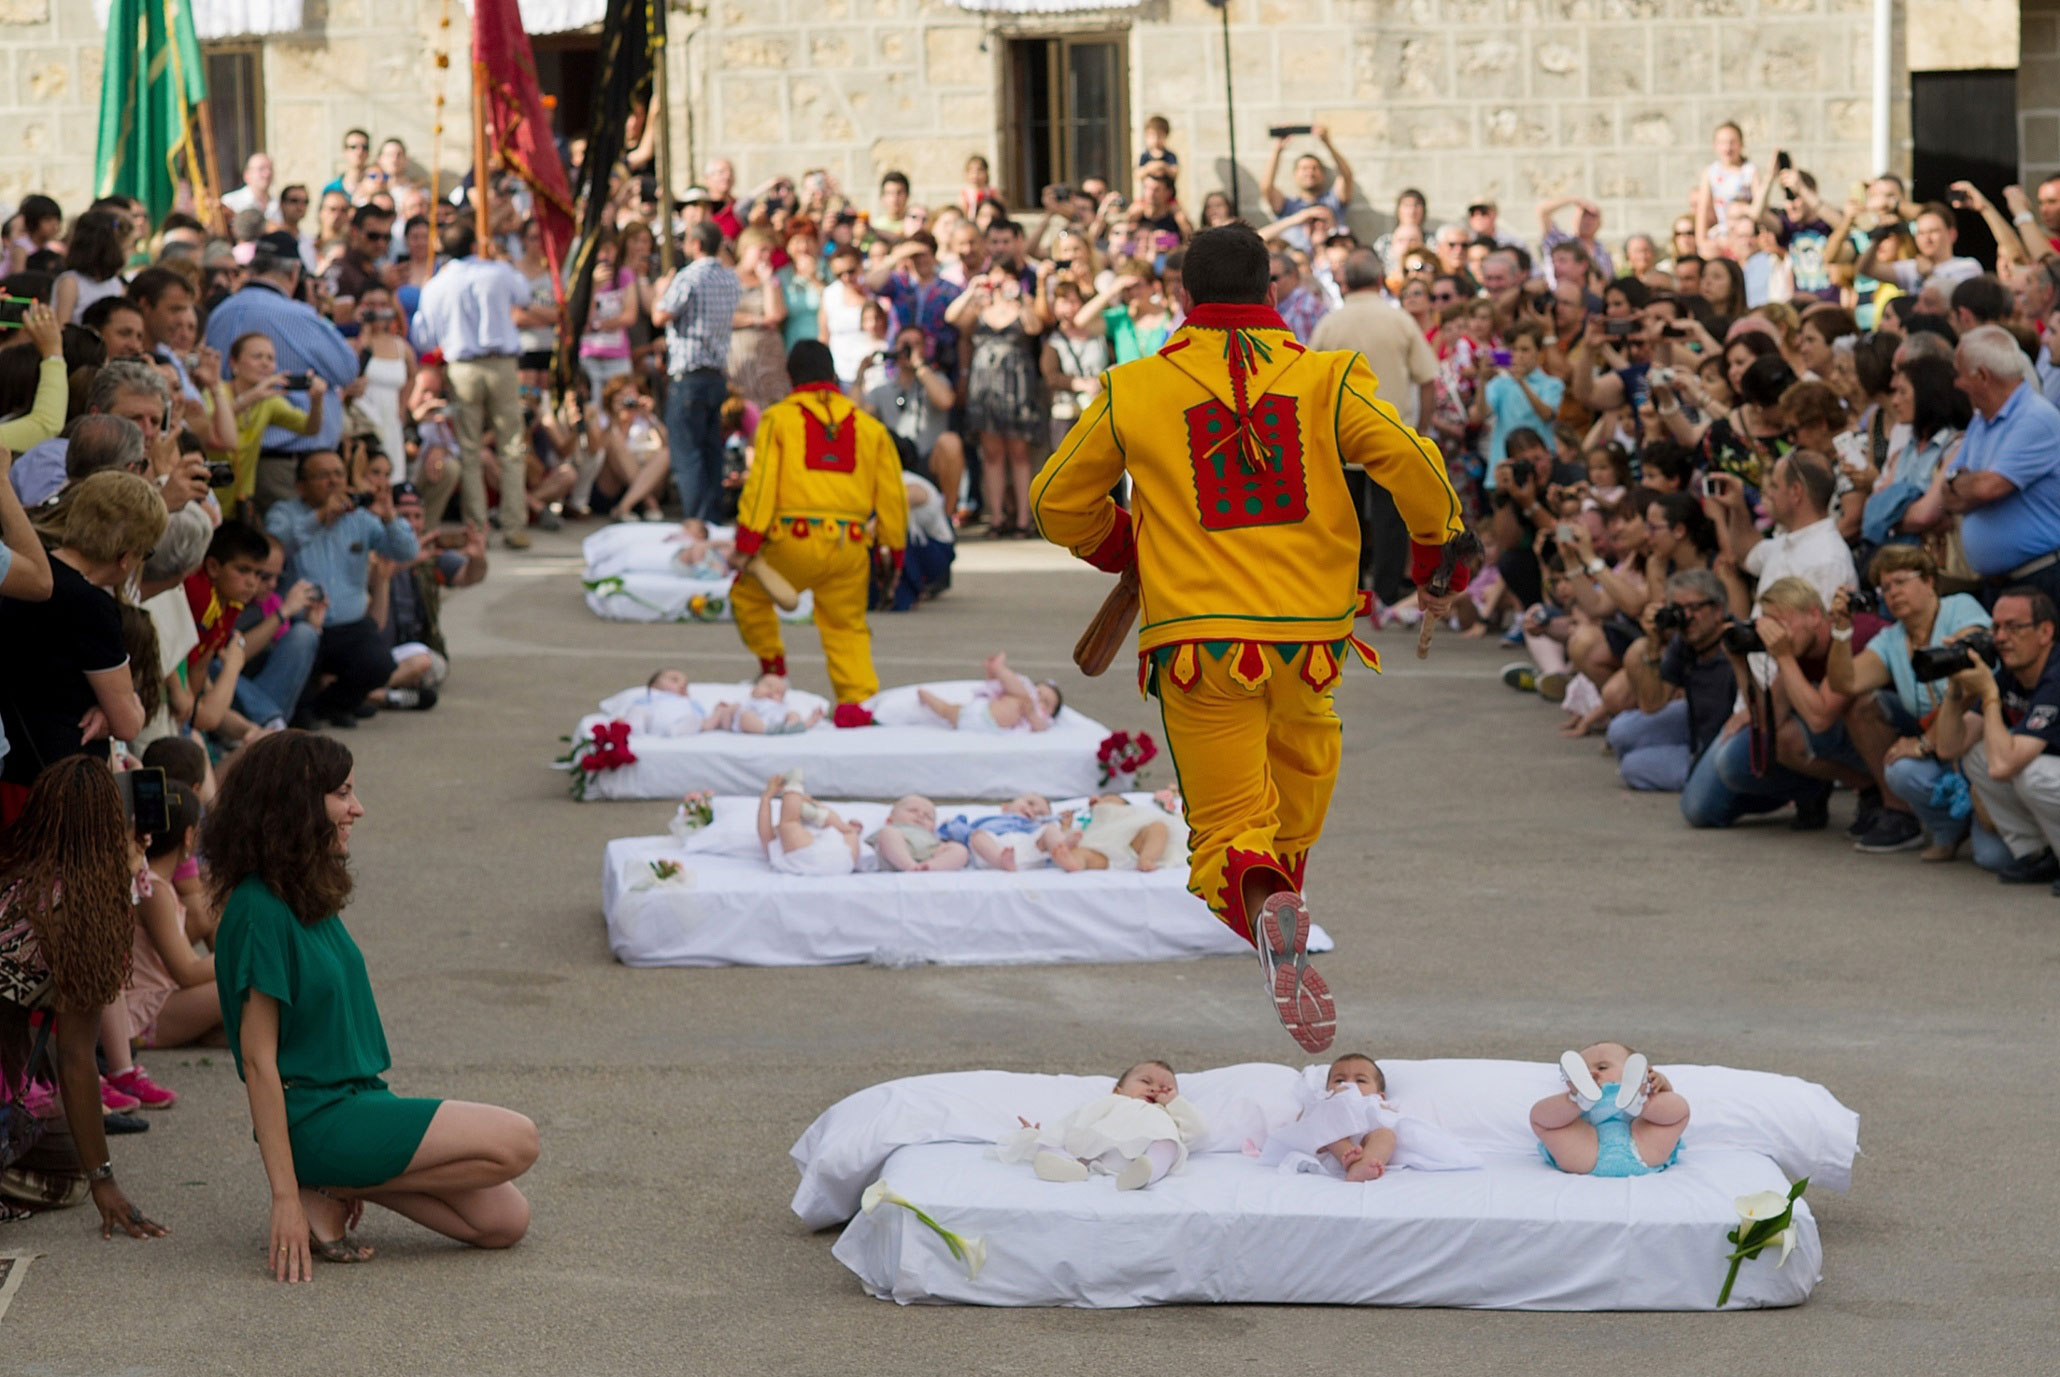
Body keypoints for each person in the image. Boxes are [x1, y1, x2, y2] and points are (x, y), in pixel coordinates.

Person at [1030, 222, 1467, 1053]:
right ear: (1273, 294)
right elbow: (1413, 461)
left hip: (1199, 644)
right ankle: (1280, 898)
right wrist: (1432, 555)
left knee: (1228, 825)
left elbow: (1055, 500)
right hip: (1310, 643)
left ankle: (1267, 904)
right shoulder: (1328, 377)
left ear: (1182, 300)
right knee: (1295, 795)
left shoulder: (1135, 386)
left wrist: (1127, 547)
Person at [207, 731, 537, 1280]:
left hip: (355, 1102)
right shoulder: (258, 909)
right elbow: (260, 1062)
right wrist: (283, 1197)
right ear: (296, 803)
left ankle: (337, 1186)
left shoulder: (302, 890)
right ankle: (317, 1186)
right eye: (343, 794)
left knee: (505, 1221)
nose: (357, 808)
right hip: (316, 1118)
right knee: (517, 1140)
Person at [0, 757, 169, 1237]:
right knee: (69, 1173)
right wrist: (104, 1182)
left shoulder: (15, 873)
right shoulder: (82, 909)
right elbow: (78, 1057)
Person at [727, 341, 908, 720]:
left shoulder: (777, 418)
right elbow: (893, 497)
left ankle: (774, 673)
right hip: (851, 546)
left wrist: (747, 541)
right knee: (847, 628)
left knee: (748, 597)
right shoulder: (871, 428)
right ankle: (857, 704)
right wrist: (893, 551)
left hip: (790, 543)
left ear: (791, 376)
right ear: (831, 375)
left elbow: (760, 486)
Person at [0, 471, 161, 818]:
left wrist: (108, 707)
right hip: (50, 787)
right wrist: (116, 706)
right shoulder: (92, 606)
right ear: (127, 557)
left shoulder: (22, 570)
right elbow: (129, 723)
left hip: (10, 763)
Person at [1832, 545, 1993, 854]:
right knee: (1898, 767)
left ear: (1930, 581)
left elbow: (1971, 673)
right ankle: (1947, 828)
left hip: (1976, 738)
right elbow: (1845, 682)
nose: (1893, 593)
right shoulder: (1892, 638)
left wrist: (1923, 743)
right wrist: (1841, 630)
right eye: (1885, 587)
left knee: (1991, 855)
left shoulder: (1960, 608)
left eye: (1901, 581)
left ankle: (1979, 812)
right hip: (1942, 743)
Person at [1311, 249, 1441, 604]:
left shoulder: (1330, 323)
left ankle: (1345, 589)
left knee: (1341, 519)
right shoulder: (1398, 321)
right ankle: (1384, 592)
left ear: (1346, 282)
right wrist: (1423, 428)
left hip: (1340, 438)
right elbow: (1429, 378)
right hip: (1391, 434)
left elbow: (1309, 384)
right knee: (1389, 521)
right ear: (1379, 278)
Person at [203, 233, 360, 514]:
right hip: (281, 466)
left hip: (231, 458)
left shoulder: (220, 313)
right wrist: (320, 311)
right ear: (295, 271)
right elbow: (348, 370)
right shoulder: (298, 314)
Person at [266, 451, 419, 729]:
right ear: (300, 485)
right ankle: (303, 709)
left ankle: (331, 705)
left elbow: (406, 551)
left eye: (338, 473)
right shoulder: (283, 513)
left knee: (380, 664)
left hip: (350, 626)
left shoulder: (360, 518)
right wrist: (320, 516)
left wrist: (389, 517)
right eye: (322, 475)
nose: (333, 482)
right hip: (300, 624)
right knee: (300, 704)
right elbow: (275, 550)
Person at [407, 221, 531, 547]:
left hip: (463, 366)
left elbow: (423, 335)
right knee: (510, 446)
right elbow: (526, 294)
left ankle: (479, 526)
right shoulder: (498, 271)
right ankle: (513, 524)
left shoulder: (438, 284)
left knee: (471, 449)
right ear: (475, 244)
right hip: (498, 363)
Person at [1928, 588, 2060, 885]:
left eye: (2013, 627)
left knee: (2029, 772)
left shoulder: (2056, 675)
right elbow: (1949, 748)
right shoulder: (2011, 674)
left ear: (2045, 632)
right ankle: (2038, 855)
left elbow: (2004, 767)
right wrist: (1955, 687)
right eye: (1996, 627)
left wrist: (1988, 694)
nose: (2000, 638)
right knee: (1977, 755)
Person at [1942, 326, 2060, 610]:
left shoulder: (2036, 418)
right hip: (1999, 584)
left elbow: (1987, 487)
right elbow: (1948, 493)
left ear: (1983, 376)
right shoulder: (1981, 421)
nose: (1956, 384)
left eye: (1960, 374)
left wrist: (1964, 483)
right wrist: (1967, 484)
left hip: (2039, 581)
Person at [1609, 568, 1737, 793]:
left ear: (1718, 611)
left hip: (1726, 741)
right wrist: (1653, 645)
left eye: (1694, 608)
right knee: (1620, 731)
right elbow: (1651, 705)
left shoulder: (1736, 644)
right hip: (1695, 722)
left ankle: (1700, 772)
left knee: (1633, 766)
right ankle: (1683, 755)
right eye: (1679, 609)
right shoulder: (1685, 643)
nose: (1686, 618)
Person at [995, 1060, 1203, 1191]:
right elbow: (1070, 1125)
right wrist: (1036, 1135)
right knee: (1056, 1137)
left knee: (1168, 1144)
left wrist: (1174, 1102)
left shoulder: (1162, 1113)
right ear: (1117, 1089)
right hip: (1091, 1149)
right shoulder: (1108, 1104)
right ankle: (1062, 1164)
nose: (1154, 1090)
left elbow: (1196, 1133)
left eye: (1165, 1088)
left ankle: (1147, 1172)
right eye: (1146, 1082)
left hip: (1135, 1158)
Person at [654, 221, 742, 523]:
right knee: (710, 452)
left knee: (688, 454)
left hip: (689, 374)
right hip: (716, 374)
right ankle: (712, 517)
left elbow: (660, 315)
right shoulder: (730, 279)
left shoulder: (688, 277)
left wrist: (661, 291)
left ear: (695, 244)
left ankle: (697, 520)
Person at [1530, 1042, 1687, 1177]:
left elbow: (1668, 1108)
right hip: (1586, 1146)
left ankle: (1640, 1104)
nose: (1593, 1073)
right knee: (1540, 1117)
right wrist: (1572, 1102)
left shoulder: (1646, 1086)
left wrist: (1660, 1083)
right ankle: (1578, 1100)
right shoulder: (1582, 1094)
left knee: (1678, 1109)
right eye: (1583, 1072)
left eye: (1602, 1067)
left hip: (1641, 1140)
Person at [866, 324, 965, 511]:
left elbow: (945, 401)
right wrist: (860, 374)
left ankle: (947, 518)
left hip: (929, 462)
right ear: (895, 347)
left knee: (951, 442)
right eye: (904, 344)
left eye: (916, 344)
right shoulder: (881, 389)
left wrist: (919, 366)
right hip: (895, 463)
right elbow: (858, 416)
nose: (909, 349)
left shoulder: (936, 379)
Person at [1261, 127, 1355, 255]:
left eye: (1314, 168)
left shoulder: (1332, 202)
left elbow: (1347, 176)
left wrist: (1327, 143)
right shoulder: (1287, 206)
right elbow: (1267, 188)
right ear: (1295, 175)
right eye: (1304, 168)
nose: (1309, 172)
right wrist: (1277, 150)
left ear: (1323, 174)